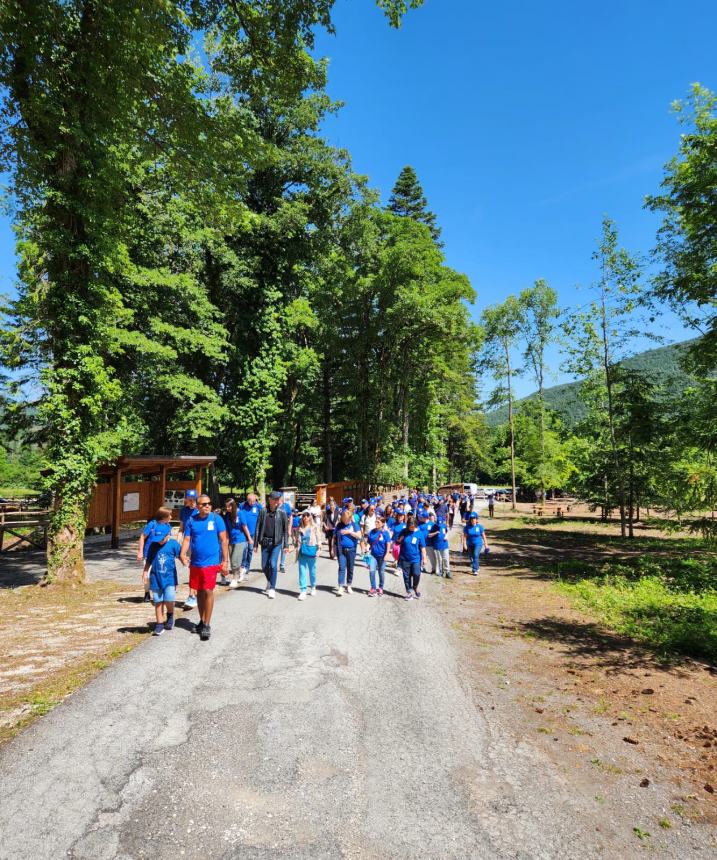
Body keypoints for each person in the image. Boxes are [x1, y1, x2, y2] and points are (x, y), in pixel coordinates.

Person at [180, 494, 229, 640]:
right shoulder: (191, 520)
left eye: (209, 503)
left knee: (208, 591)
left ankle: (207, 624)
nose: (207, 506)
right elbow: (187, 539)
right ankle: (201, 621)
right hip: (196, 562)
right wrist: (182, 553)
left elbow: (224, 540)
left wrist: (225, 561)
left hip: (211, 562)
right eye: (203, 504)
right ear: (197, 506)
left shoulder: (216, 519)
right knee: (199, 592)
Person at [253, 491, 292, 599]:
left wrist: (286, 545)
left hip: (276, 543)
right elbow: (257, 528)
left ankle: (272, 588)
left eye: (279, 499)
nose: (278, 501)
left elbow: (285, 531)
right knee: (264, 566)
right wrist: (255, 544)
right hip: (265, 542)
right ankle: (270, 581)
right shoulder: (262, 511)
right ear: (270, 500)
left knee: (273, 564)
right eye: (276, 499)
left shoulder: (282, 513)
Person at [149, 528, 182, 635]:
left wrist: (186, 561)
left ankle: (170, 615)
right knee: (157, 601)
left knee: (169, 599)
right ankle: (159, 624)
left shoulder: (173, 544)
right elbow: (149, 559)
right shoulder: (153, 545)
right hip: (155, 577)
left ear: (168, 535)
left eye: (162, 538)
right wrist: (145, 572)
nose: (160, 541)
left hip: (170, 578)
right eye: (157, 539)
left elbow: (181, 555)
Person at [137, 507, 173, 602]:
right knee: (147, 574)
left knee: (161, 573)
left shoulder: (168, 526)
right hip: (149, 553)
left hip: (162, 554)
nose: (171, 517)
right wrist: (140, 551)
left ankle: (160, 593)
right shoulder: (152, 524)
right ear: (164, 516)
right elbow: (142, 536)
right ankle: (146, 592)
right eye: (170, 515)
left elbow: (167, 540)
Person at [230, 492, 261, 586]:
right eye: (250, 501)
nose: (251, 503)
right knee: (244, 549)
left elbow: (262, 515)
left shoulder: (258, 506)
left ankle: (247, 566)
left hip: (253, 533)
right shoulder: (243, 505)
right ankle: (242, 566)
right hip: (244, 532)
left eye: (253, 501)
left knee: (250, 550)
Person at [396, 514, 426, 600]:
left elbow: (422, 547)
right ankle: (409, 592)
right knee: (406, 576)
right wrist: (400, 539)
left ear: (416, 525)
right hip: (405, 558)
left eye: (413, 527)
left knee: (417, 574)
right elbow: (397, 542)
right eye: (410, 527)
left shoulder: (419, 533)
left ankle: (415, 587)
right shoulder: (404, 532)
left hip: (416, 558)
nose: (411, 528)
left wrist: (424, 558)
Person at [179, 489, 200, 609]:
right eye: (189, 499)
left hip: (197, 544)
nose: (190, 501)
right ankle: (194, 594)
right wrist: (178, 542)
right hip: (187, 545)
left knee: (194, 569)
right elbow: (181, 529)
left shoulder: (199, 511)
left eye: (192, 499)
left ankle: (192, 595)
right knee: (192, 569)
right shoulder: (183, 511)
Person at [335, 509, 361, 596]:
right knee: (342, 568)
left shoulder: (354, 525)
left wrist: (349, 532)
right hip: (341, 550)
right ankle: (341, 587)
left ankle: (349, 585)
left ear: (350, 518)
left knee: (350, 568)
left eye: (347, 519)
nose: (345, 521)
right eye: (344, 519)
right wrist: (333, 549)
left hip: (351, 550)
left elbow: (359, 536)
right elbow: (335, 537)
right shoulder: (339, 525)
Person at [297, 512, 321, 600]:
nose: (305, 517)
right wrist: (293, 548)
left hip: (311, 551)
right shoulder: (299, 528)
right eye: (304, 516)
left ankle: (313, 586)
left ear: (310, 517)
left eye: (307, 515)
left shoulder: (314, 527)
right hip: (301, 552)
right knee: (302, 572)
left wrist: (319, 549)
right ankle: (303, 590)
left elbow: (319, 538)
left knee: (312, 572)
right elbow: (297, 541)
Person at [223, 498, 245, 587]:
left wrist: (250, 539)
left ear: (233, 506)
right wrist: (226, 541)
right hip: (231, 540)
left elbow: (244, 526)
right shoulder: (227, 516)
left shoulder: (240, 513)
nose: (227, 508)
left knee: (235, 561)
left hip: (240, 539)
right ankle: (241, 570)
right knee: (232, 560)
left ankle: (234, 578)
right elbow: (227, 530)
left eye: (229, 506)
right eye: (226, 507)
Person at [367, 516, 391, 596]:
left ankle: (380, 587)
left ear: (383, 524)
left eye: (378, 522)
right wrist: (366, 550)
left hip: (382, 556)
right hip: (373, 555)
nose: (376, 523)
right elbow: (369, 543)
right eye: (376, 522)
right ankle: (373, 588)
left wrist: (387, 554)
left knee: (381, 572)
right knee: (371, 571)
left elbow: (388, 544)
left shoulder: (385, 533)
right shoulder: (371, 532)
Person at [462, 511, 489, 575]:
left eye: (474, 518)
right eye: (471, 518)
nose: (473, 520)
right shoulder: (467, 527)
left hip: (478, 543)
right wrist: (464, 544)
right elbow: (465, 537)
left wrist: (486, 545)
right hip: (469, 544)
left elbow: (483, 536)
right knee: (471, 556)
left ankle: (475, 570)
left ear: (476, 519)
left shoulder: (480, 527)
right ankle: (477, 566)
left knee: (475, 555)